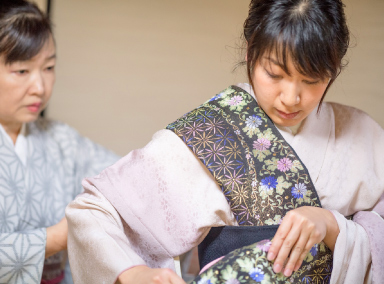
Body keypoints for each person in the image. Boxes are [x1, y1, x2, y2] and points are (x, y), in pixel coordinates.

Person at [66, 0, 384, 283]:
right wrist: (132, 273)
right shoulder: (210, 135)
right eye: (274, 74)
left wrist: (331, 226)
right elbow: (93, 211)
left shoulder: (362, 134)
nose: (291, 98)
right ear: (250, 54)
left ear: (334, 69)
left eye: (312, 80)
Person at [0, 1, 119, 283]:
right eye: (22, 71)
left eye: (49, 67)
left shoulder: (61, 139)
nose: (40, 87)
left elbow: (122, 177)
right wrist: (55, 238)